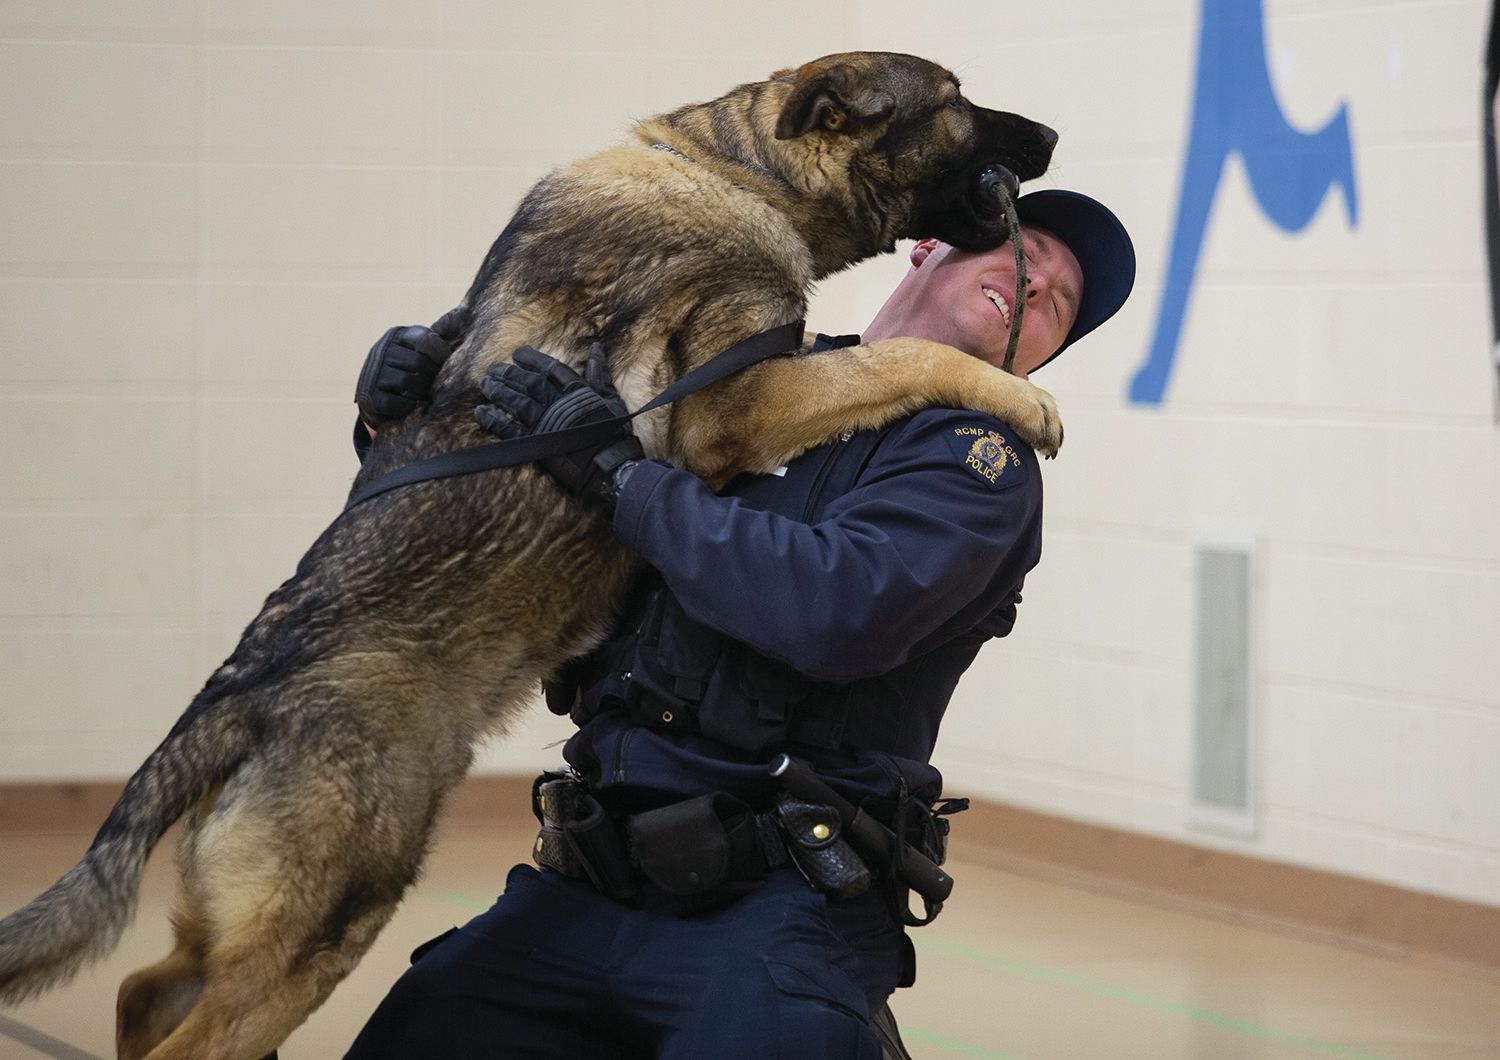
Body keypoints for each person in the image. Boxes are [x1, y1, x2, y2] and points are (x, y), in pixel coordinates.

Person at [344, 188, 1135, 1059]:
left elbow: (838, 612)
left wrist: (624, 484)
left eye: (1059, 304)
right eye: (1027, 256)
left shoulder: (975, 464)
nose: (1037, 288)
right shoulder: (744, 380)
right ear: (928, 247)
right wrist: (406, 420)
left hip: (778, 909)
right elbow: (517, 535)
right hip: (585, 882)